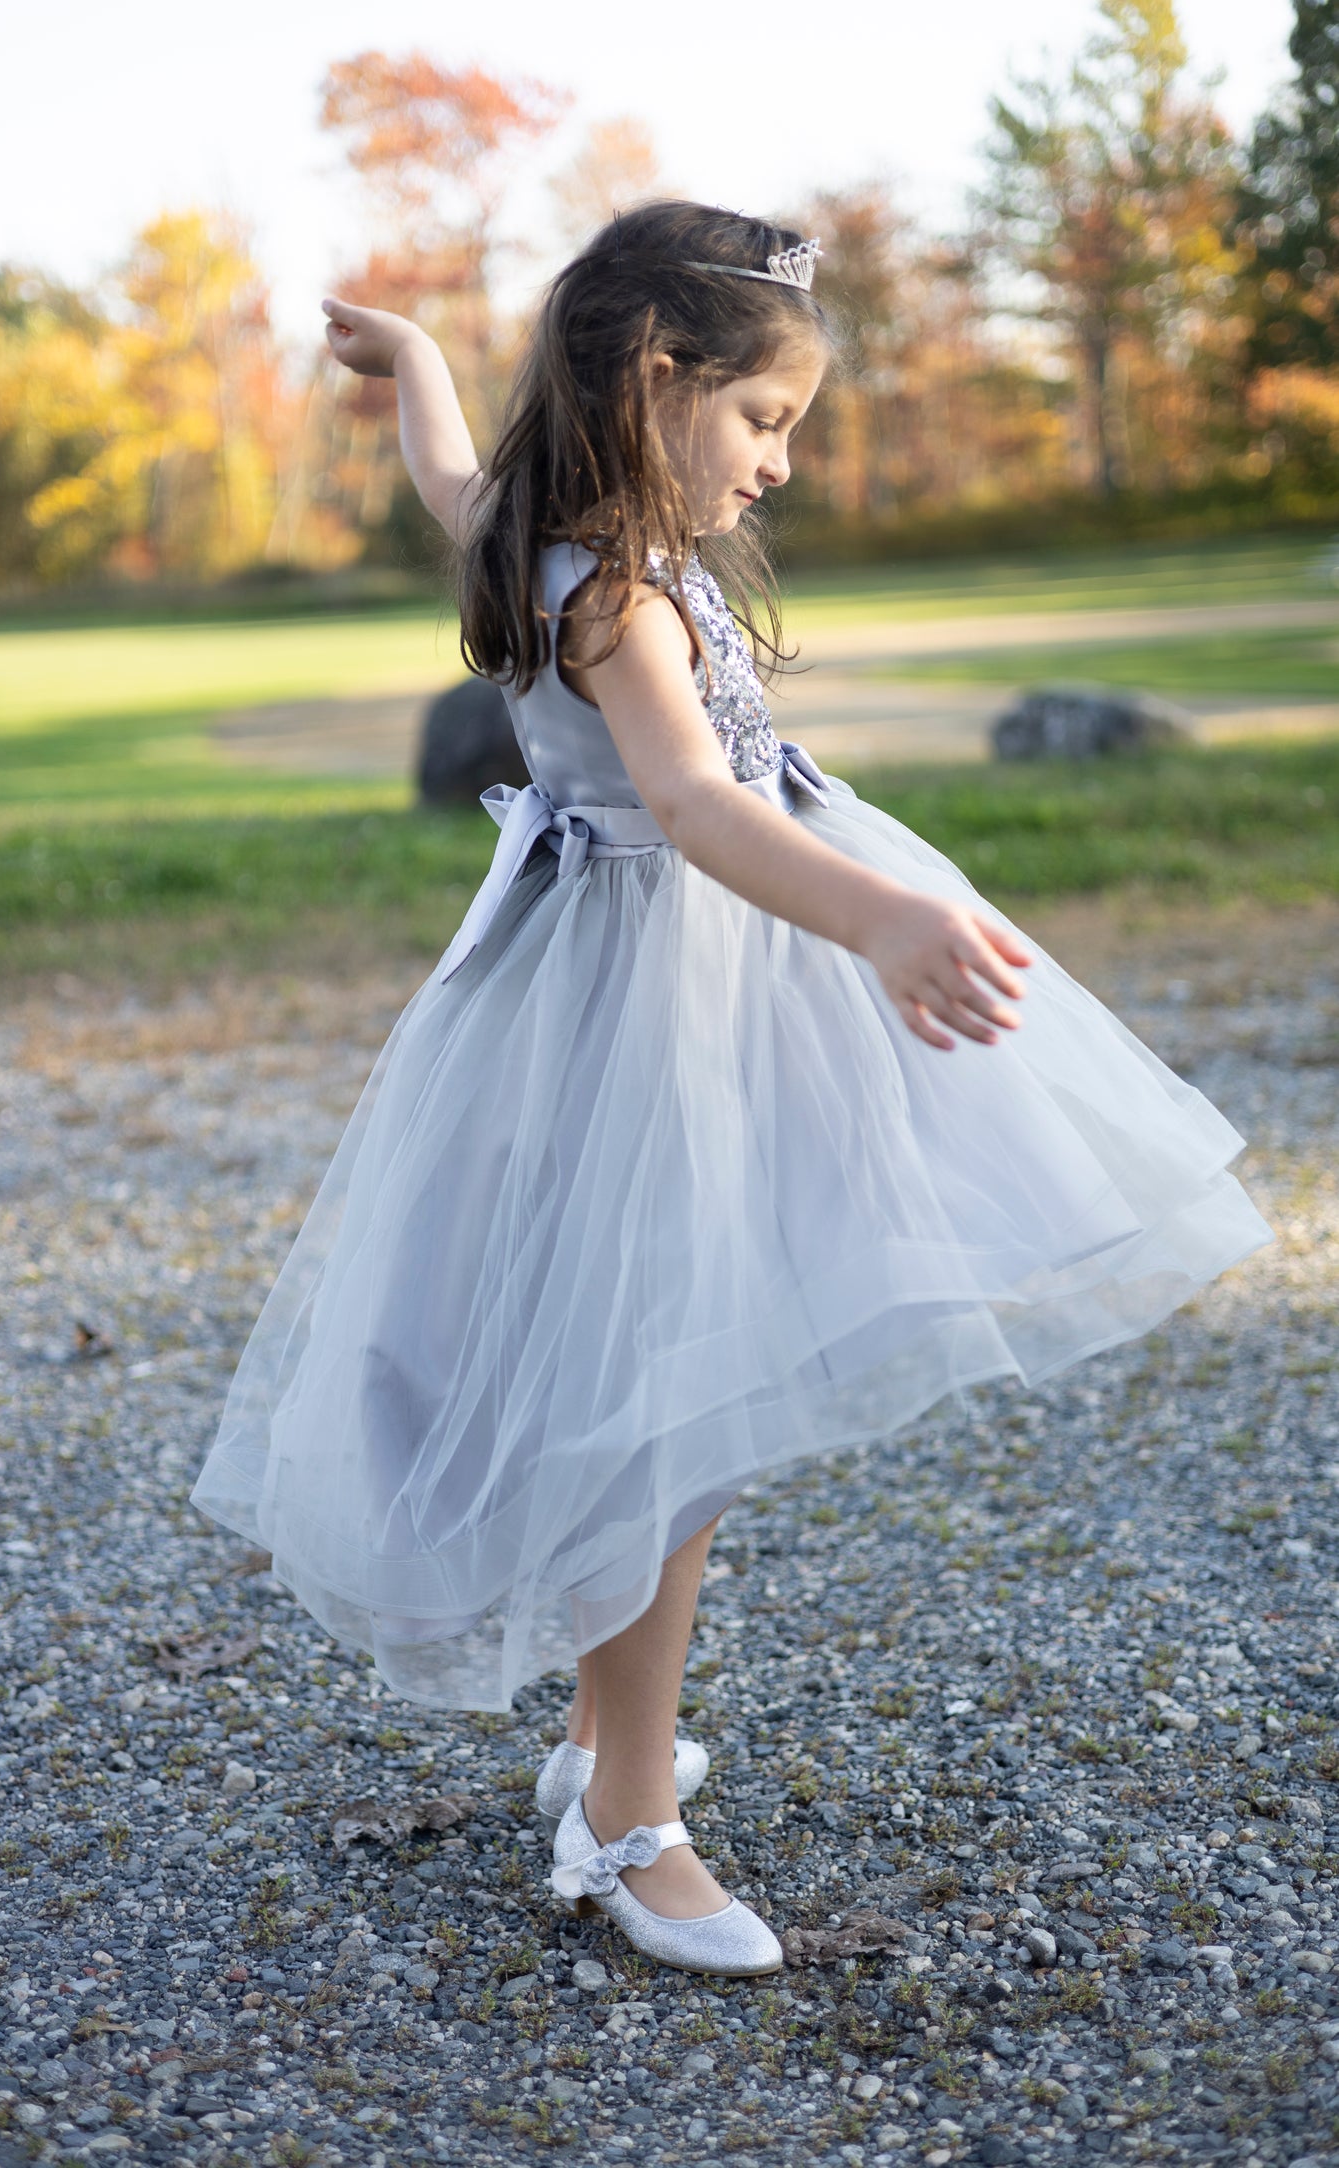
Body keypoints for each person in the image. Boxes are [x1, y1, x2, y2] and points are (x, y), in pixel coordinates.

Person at [191, 202, 1270, 1977]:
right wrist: (888, 920)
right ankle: (628, 1819)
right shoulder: (608, 591)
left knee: (671, 1384)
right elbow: (696, 809)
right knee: (663, 1412)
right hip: (646, 1013)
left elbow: (447, 482)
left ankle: (600, 1747)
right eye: (761, 421)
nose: (777, 465)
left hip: (673, 1005)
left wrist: (424, 371)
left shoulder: (545, 535)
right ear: (654, 380)